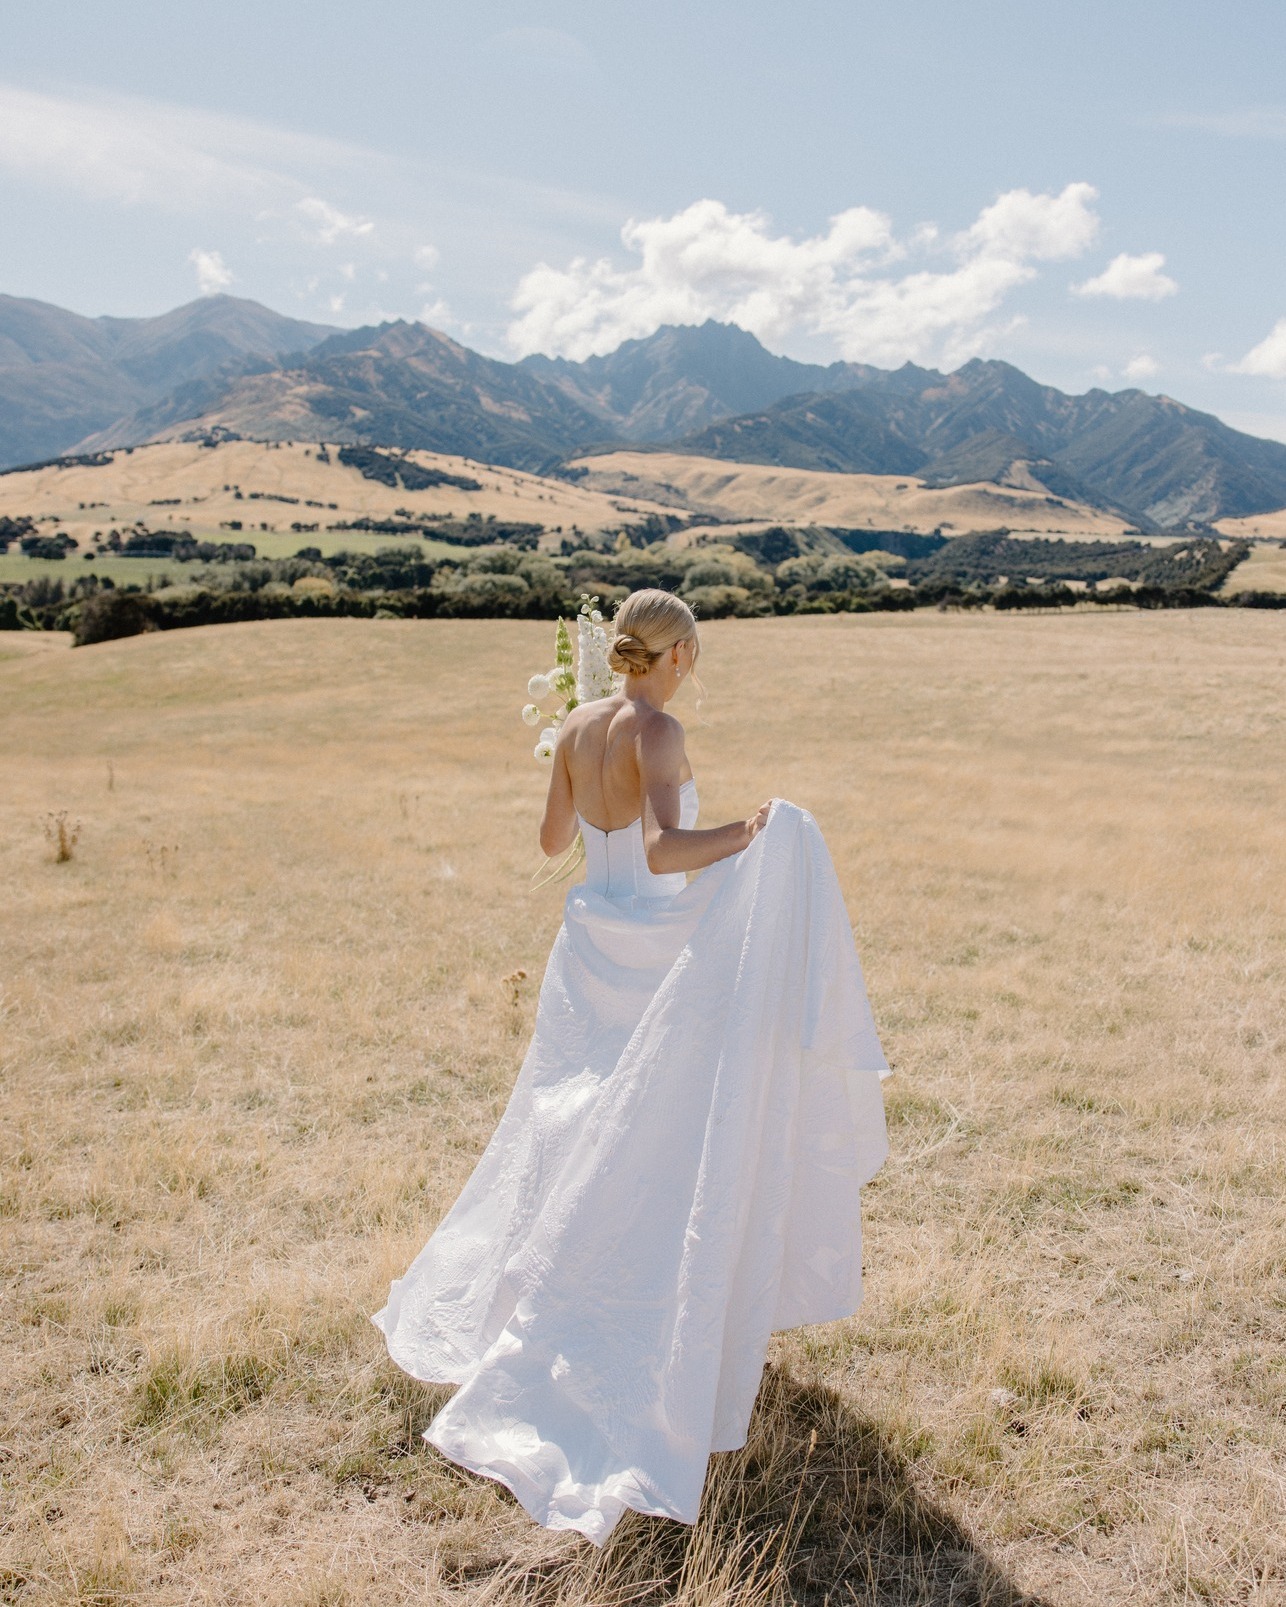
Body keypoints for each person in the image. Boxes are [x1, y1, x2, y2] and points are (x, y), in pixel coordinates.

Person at [373, 588, 890, 1545]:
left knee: (562, 1123)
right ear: (678, 653)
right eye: (696, 651)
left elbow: (552, 841)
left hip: (584, 944)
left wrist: (584, 795)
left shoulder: (574, 724)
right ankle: (629, 1301)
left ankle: (540, 1289)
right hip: (651, 951)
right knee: (644, 1135)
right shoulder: (661, 731)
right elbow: (664, 850)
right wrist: (748, 832)